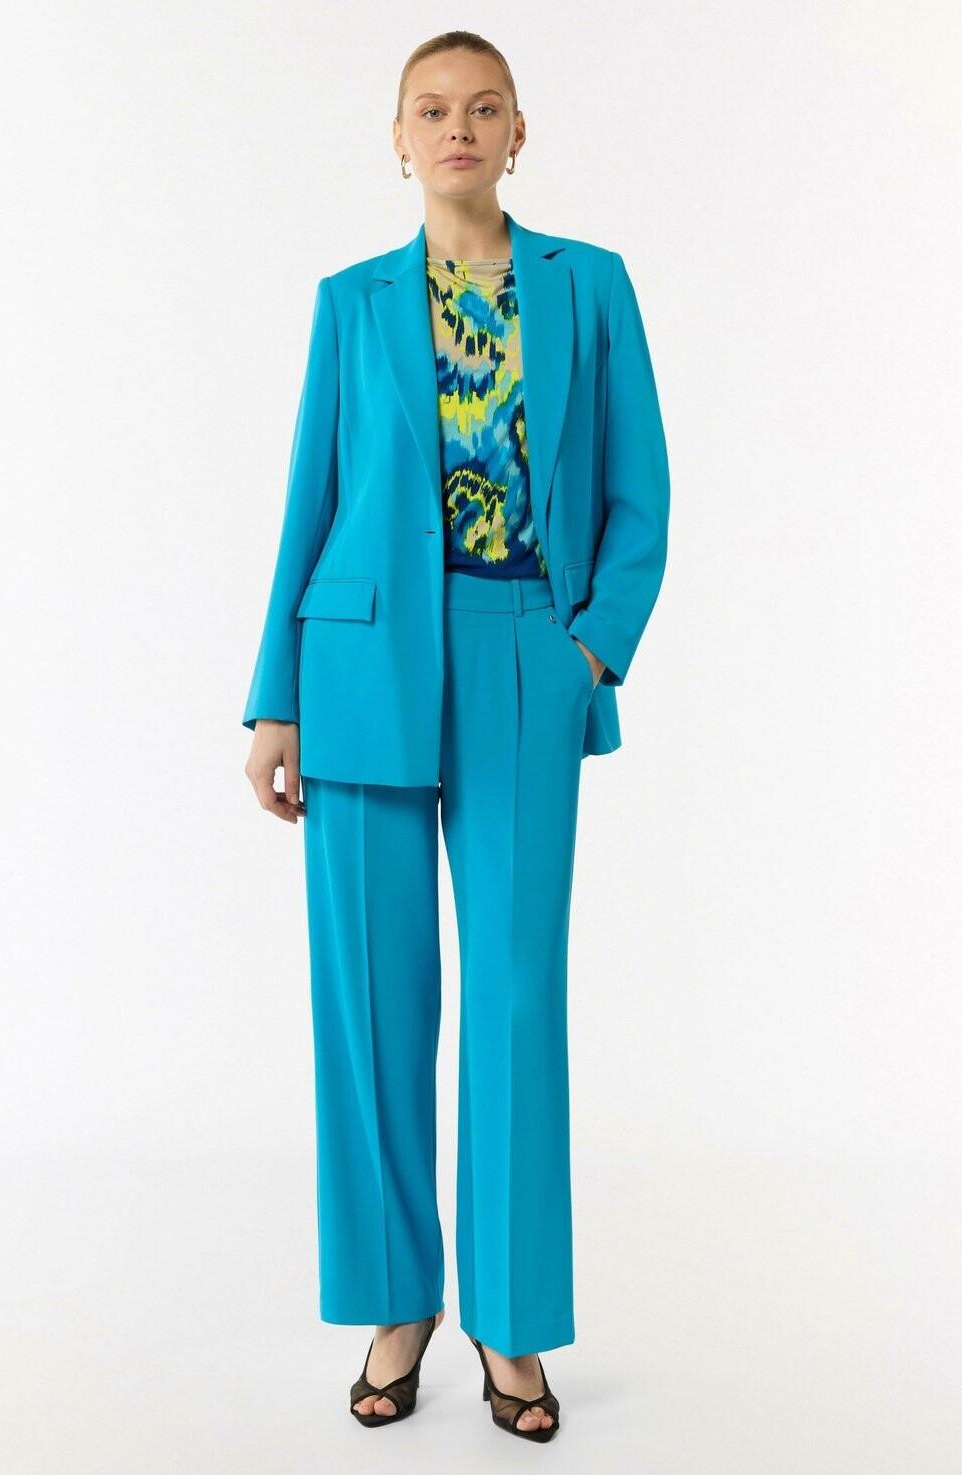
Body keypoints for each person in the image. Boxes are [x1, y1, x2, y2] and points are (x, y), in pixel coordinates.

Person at [242, 30, 669, 1443]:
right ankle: (395, 1301)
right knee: (371, 999)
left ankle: (512, 1317)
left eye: (484, 108)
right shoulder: (350, 303)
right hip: (360, 657)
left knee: (515, 993)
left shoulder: (590, 285)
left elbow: (643, 491)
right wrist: (275, 697)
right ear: (398, 137)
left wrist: (588, 646)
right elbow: (309, 501)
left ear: (520, 130)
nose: (458, 128)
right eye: (432, 110)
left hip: (522, 653)